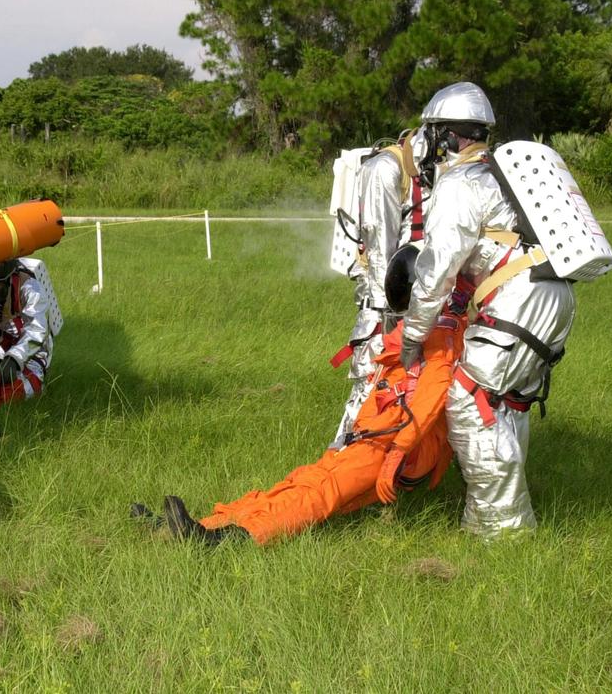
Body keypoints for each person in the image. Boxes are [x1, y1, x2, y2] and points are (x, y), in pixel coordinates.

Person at [143, 252, 467, 546]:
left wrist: (398, 452)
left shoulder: (440, 338)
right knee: (302, 482)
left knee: (319, 492)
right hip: (374, 440)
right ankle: (203, 526)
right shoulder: (426, 334)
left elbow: (431, 395)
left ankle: (236, 539)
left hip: (391, 447)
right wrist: (348, 441)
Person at [398, 82, 576, 538]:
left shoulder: (460, 184)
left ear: (445, 136)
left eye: (432, 133)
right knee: (505, 404)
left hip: (518, 299)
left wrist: (413, 336)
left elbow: (435, 273)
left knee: (470, 401)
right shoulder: (505, 174)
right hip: (553, 294)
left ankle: (504, 534)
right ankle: (493, 521)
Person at [330, 127, 442, 450]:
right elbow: (380, 263)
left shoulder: (447, 172)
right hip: (388, 312)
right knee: (368, 402)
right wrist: (393, 331)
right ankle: (336, 474)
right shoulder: (385, 170)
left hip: (427, 306)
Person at [0, 258, 56, 405]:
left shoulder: (30, 290)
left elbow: (38, 333)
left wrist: (15, 359)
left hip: (30, 355)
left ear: (9, 279)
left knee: (16, 393)